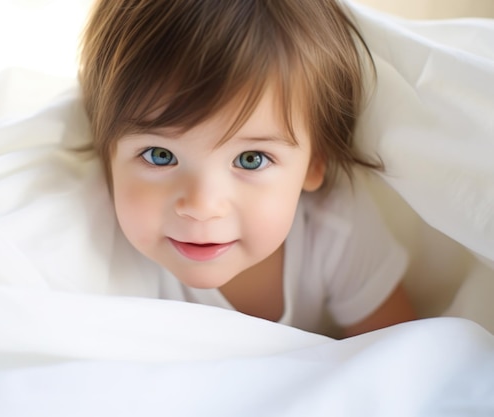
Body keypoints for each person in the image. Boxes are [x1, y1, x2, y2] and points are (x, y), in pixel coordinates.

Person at [78, 0, 416, 337]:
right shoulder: (96, 248)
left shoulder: (336, 231)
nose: (202, 207)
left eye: (250, 159)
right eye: (159, 155)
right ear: (105, 149)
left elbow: (399, 358)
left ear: (315, 162)